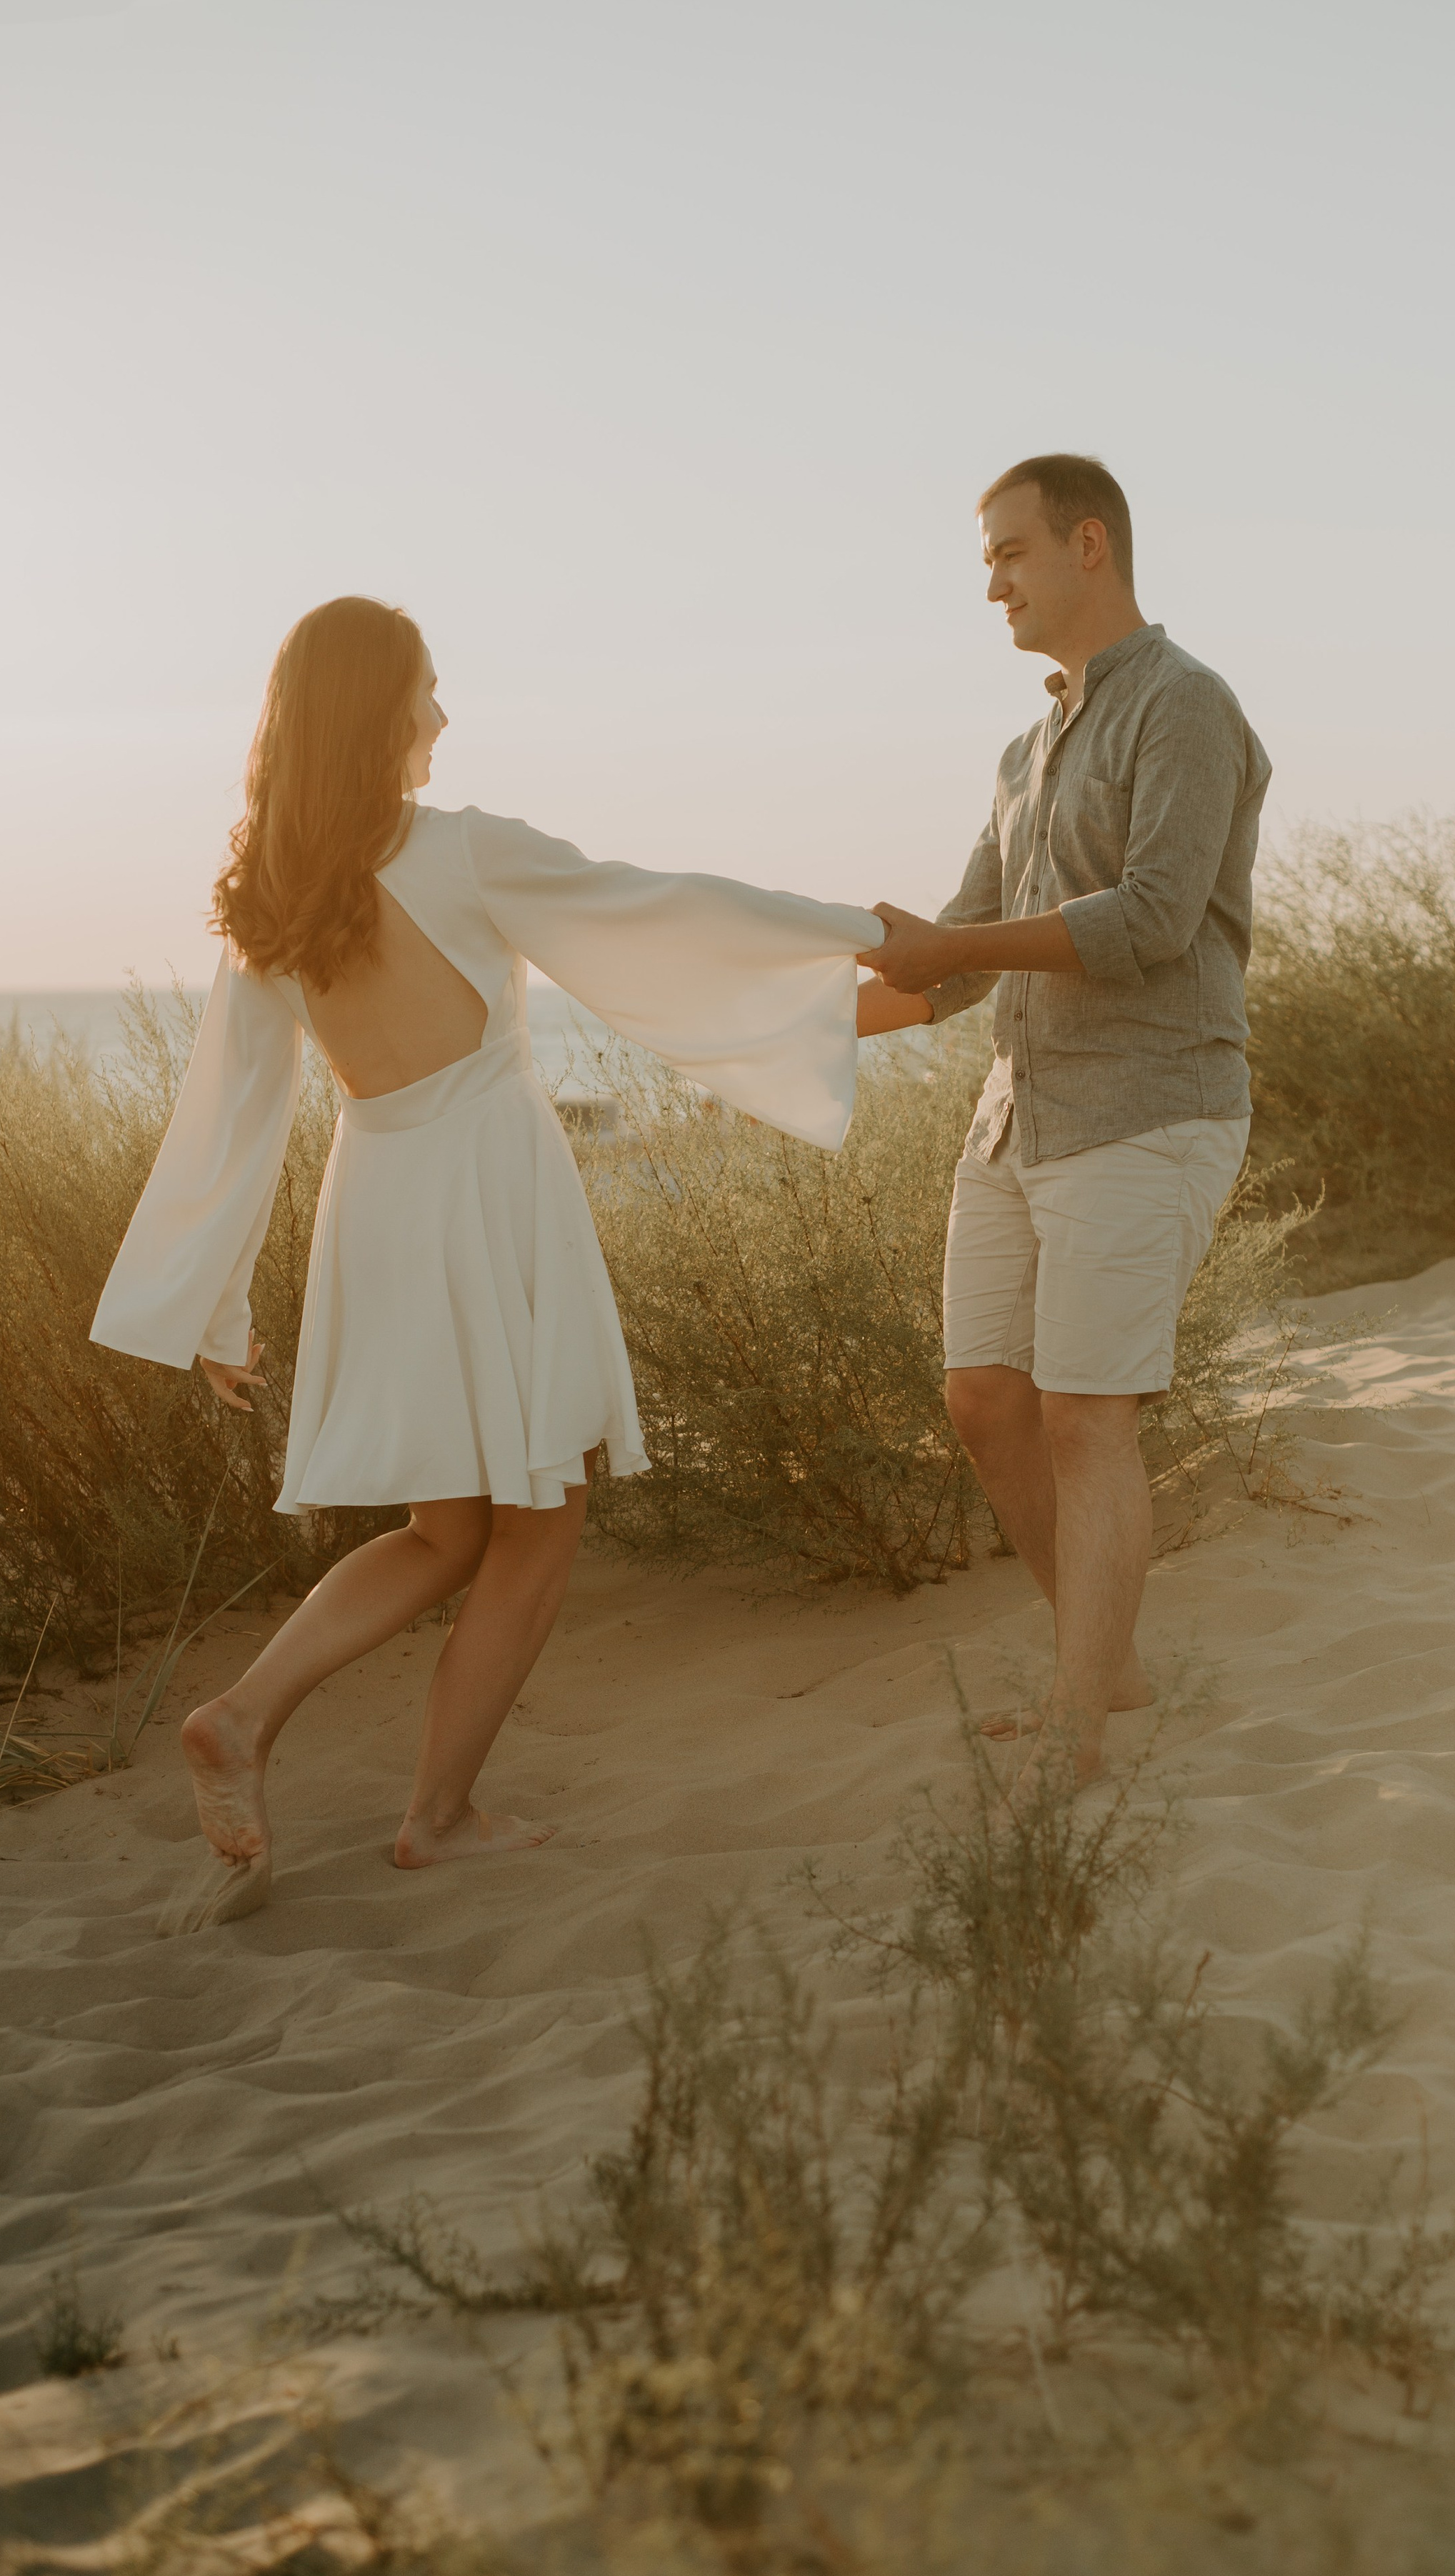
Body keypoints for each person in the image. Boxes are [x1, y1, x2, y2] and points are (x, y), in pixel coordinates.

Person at [93, 596, 883, 1931]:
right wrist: (852, 931)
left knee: (446, 1530)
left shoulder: (273, 896)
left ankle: (246, 1713)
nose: (444, 716)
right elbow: (657, 912)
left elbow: (229, 1112)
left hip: (378, 1203)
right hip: (488, 1191)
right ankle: (438, 1818)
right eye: (427, 689)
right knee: (540, 1518)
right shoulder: (462, 850)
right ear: (376, 709)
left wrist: (217, 1308)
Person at [860, 454, 1271, 1794]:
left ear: (1088, 544)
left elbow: (1153, 917)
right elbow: (957, 963)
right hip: (1016, 1119)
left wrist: (949, 947)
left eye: (1009, 553)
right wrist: (765, 1029)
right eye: (987, 561)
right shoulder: (1022, 752)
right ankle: (1111, 1667)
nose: (993, 585)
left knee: (1089, 1415)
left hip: (1149, 1106)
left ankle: (1078, 1718)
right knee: (987, 1400)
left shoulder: (1186, 703)